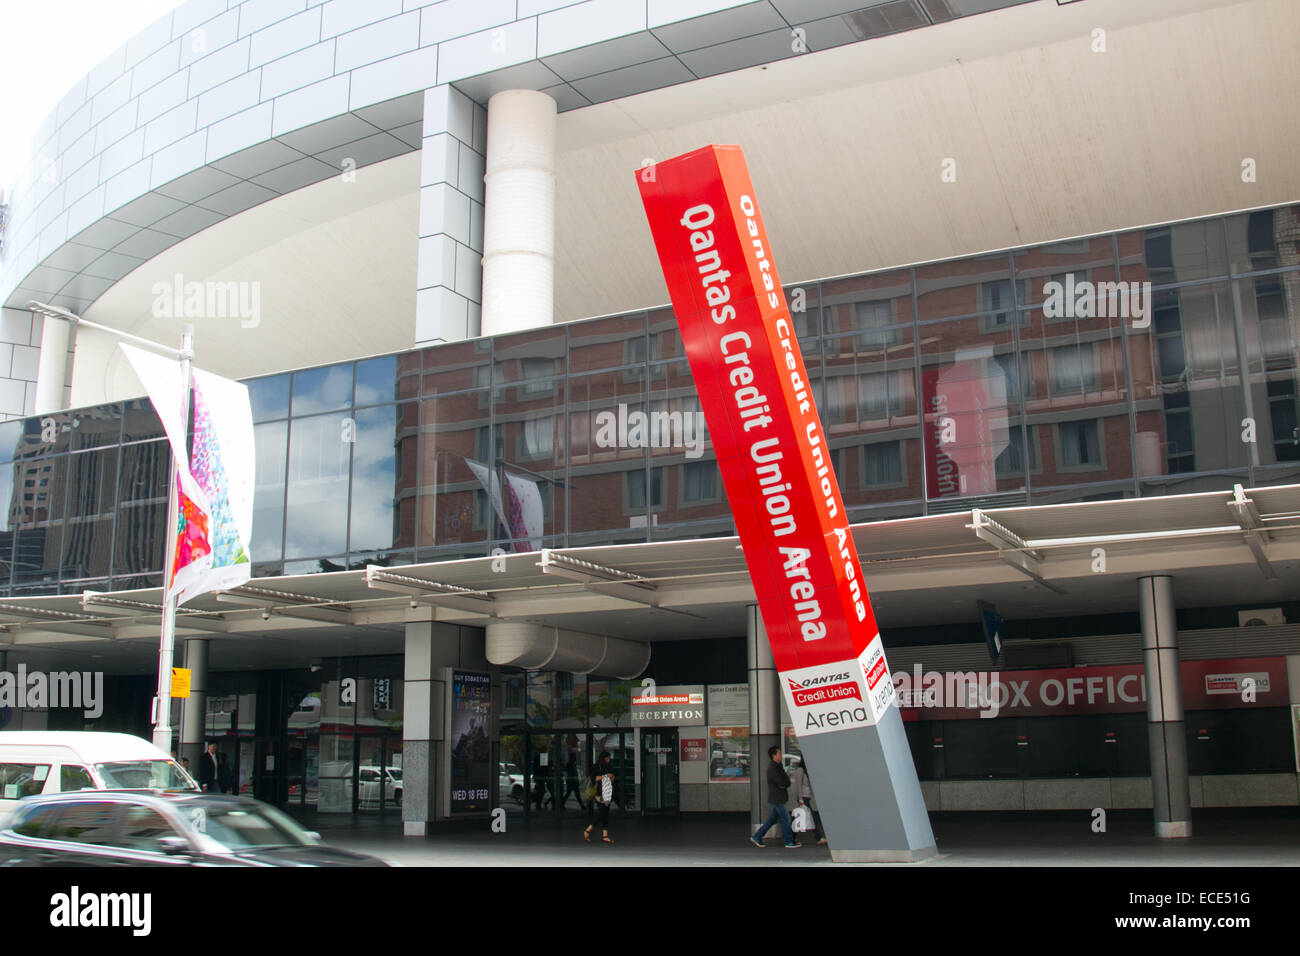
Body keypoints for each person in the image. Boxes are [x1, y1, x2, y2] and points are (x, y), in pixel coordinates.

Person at [751, 745, 798, 848]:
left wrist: (785, 783)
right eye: (779, 753)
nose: (781, 755)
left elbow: (785, 780)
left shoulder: (778, 765)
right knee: (786, 819)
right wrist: (785, 783)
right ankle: (789, 841)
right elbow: (781, 782)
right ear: (774, 755)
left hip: (778, 797)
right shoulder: (773, 768)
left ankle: (757, 836)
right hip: (777, 798)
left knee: (772, 819)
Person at [790, 754, 826, 846]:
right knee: (811, 818)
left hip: (806, 797)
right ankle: (818, 837)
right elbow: (798, 785)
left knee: (800, 818)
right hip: (803, 798)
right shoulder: (800, 770)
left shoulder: (805, 771)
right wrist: (800, 799)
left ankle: (791, 837)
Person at [583, 751, 614, 844]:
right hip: (599, 793)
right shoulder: (596, 766)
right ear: (603, 758)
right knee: (602, 814)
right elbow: (593, 778)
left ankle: (605, 835)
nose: (609, 760)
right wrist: (605, 776)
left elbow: (612, 777)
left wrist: (612, 777)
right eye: (607, 758)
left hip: (607, 792)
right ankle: (588, 830)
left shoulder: (609, 766)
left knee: (606, 814)